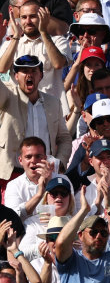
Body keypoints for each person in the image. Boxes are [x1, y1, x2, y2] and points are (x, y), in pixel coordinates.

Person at [0, 53, 72, 198]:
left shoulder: (53, 102)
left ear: (41, 75)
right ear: (16, 76)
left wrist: (59, 163)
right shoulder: (7, 96)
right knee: (11, 219)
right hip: (11, 175)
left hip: (45, 175)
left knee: (45, 218)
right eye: (24, 71)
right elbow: (2, 70)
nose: (29, 75)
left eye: (33, 71)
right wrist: (13, 40)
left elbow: (64, 137)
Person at [0, 0, 71, 112]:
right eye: (23, 17)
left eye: (33, 16)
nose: (28, 21)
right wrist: (16, 36)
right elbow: (2, 69)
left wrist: (43, 31)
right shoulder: (11, 43)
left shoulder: (58, 41)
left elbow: (58, 64)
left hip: (52, 111)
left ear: (43, 17)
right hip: (21, 111)